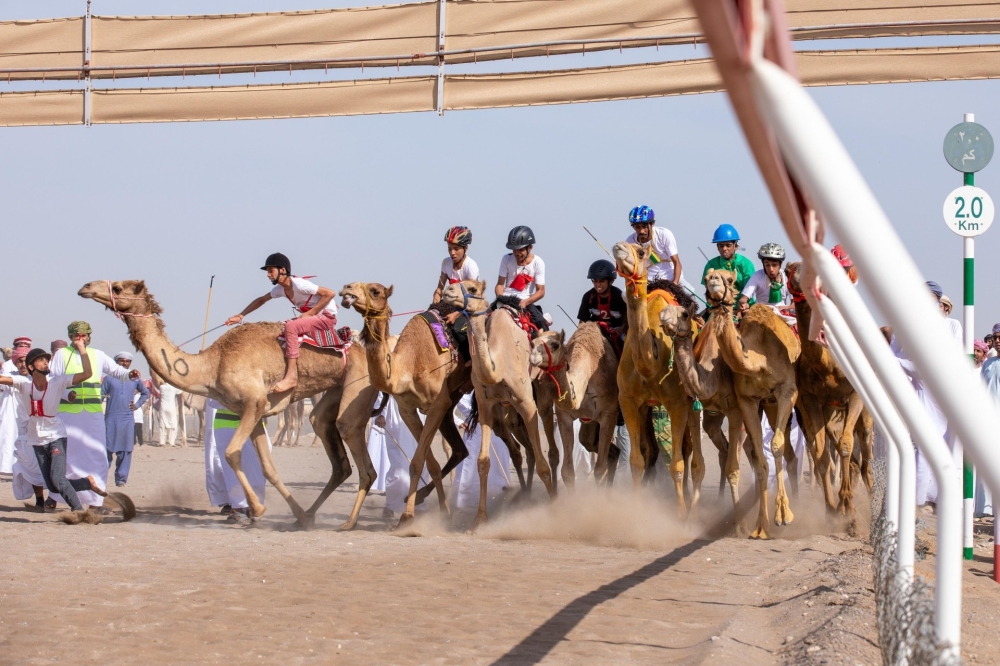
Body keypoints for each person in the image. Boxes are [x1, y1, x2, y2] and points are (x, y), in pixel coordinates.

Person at [0, 343, 109, 514]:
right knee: (52, 485)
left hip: (56, 437)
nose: (45, 363)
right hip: (36, 440)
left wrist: (82, 350)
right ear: (30, 366)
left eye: (46, 360)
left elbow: (87, 374)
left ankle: (79, 511)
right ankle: (87, 483)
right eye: (40, 360)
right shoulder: (23, 383)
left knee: (58, 479)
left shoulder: (58, 381)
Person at [47, 321, 136, 512]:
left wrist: (130, 375)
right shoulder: (62, 355)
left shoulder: (98, 355)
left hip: (93, 415)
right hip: (67, 415)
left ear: (89, 336)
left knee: (97, 456)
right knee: (65, 458)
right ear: (71, 337)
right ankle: (57, 497)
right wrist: (64, 395)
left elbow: (117, 371)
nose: (80, 339)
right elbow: (53, 381)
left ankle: (96, 502)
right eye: (76, 336)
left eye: (83, 335)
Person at [892, 281, 963, 508]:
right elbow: (894, 351)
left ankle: (934, 497)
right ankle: (919, 498)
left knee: (943, 443)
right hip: (920, 381)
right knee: (923, 443)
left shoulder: (952, 325)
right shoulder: (910, 324)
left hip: (942, 385)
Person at [225, 253, 337, 393]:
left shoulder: (300, 285)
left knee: (291, 327)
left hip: (326, 318)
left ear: (282, 270)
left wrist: (309, 313)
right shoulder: (280, 289)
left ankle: (291, 377)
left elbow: (330, 293)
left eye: (271, 271)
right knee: (279, 328)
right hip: (313, 317)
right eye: (267, 272)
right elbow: (261, 300)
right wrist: (241, 315)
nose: (268, 275)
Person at [203, 398, 268, 523]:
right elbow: (213, 400)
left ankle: (254, 506)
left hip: (255, 424)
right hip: (227, 424)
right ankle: (237, 508)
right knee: (232, 470)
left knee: (259, 469)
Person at [101, 352, 150, 486]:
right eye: (121, 361)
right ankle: (101, 477)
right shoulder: (109, 378)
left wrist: (137, 405)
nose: (124, 363)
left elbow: (146, 393)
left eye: (127, 361)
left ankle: (121, 479)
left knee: (126, 450)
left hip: (127, 419)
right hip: (111, 418)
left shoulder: (135, 380)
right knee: (106, 449)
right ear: (116, 362)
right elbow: (100, 395)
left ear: (130, 363)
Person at [7, 346, 46, 509]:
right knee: (31, 466)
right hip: (24, 432)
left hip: (46, 430)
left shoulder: (44, 380)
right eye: (19, 361)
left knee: (49, 467)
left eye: (26, 361)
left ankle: (54, 498)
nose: (22, 364)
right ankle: (40, 500)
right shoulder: (13, 379)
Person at [496, 226, 548, 331]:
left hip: (524, 302)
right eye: (514, 249)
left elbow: (541, 291)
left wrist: (525, 302)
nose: (516, 253)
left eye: (520, 250)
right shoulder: (506, 259)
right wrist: (501, 298)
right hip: (505, 300)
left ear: (530, 248)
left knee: (542, 326)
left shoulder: (538, 262)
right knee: (483, 322)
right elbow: (500, 285)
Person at [624, 205, 682, 285]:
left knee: (690, 293)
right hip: (647, 282)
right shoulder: (630, 241)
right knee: (624, 294)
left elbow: (676, 262)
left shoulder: (664, 234)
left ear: (652, 224)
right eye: (637, 227)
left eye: (644, 226)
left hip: (671, 277)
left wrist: (675, 283)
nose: (641, 231)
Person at [738, 243, 794, 324]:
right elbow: (743, 299)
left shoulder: (787, 277)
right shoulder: (757, 276)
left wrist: (786, 307)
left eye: (774, 265)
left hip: (782, 315)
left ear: (780, 264)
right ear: (763, 264)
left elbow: (795, 303)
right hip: (760, 315)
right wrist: (743, 305)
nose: (771, 269)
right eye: (767, 265)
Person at [577, 259, 627, 346]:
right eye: (595, 281)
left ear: (611, 281)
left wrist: (617, 331)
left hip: (618, 332)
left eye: (601, 281)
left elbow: (628, 321)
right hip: (595, 332)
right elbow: (582, 321)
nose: (597, 285)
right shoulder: (588, 297)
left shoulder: (620, 297)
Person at [701, 224, 756, 294]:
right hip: (719, 304)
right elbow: (708, 290)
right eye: (721, 246)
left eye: (728, 245)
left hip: (744, 304)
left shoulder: (746, 264)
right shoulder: (711, 265)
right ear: (717, 247)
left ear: (736, 246)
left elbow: (750, 290)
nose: (724, 249)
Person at [156, 377, 181, 447]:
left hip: (163, 407)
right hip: (171, 408)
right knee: (173, 425)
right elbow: (180, 390)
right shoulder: (173, 388)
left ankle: (162, 442)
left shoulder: (162, 387)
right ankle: (172, 442)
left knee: (162, 425)